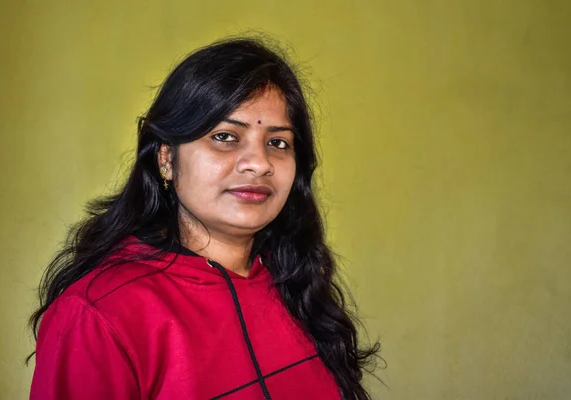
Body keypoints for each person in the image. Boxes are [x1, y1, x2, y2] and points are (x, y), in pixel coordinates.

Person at [28, 37, 381, 400]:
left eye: (278, 143)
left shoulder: (295, 284)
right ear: (167, 158)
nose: (259, 163)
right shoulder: (100, 314)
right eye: (225, 136)